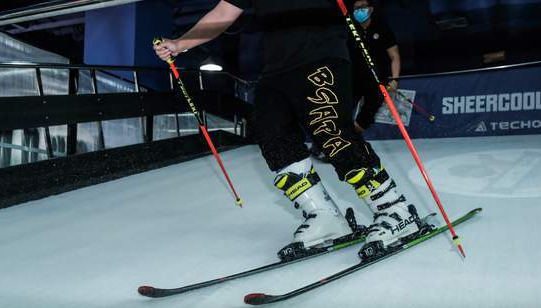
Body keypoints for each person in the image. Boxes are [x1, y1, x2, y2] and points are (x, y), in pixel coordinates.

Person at [154, 0, 422, 260]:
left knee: (331, 133)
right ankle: (324, 215)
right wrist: (180, 44)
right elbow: (223, 12)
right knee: (270, 132)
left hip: (322, 56)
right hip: (277, 68)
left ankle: (395, 210)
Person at [350, 0, 401, 133]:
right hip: (353, 78)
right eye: (356, 8)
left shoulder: (381, 27)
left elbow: (394, 56)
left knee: (365, 117)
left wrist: (395, 79)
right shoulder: (350, 29)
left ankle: (352, 139)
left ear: (371, 9)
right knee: (339, 112)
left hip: (377, 79)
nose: (359, 10)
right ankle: (327, 144)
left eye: (362, 7)